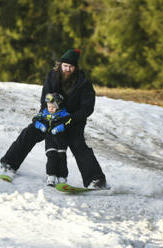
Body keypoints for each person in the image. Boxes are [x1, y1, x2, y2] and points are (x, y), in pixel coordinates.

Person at [0, 49, 107, 189]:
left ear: (75, 67)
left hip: (72, 122)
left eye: (71, 66)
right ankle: (8, 165)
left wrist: (70, 119)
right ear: (60, 65)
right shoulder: (52, 76)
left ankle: (96, 180)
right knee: (29, 132)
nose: (67, 69)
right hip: (50, 117)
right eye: (65, 66)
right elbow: (45, 98)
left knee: (78, 145)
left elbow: (87, 108)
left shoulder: (84, 83)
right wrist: (44, 116)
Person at [33, 93, 70, 186]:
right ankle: (51, 176)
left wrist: (61, 127)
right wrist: (39, 125)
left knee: (62, 157)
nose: (51, 109)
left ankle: (62, 177)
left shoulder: (63, 114)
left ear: (58, 106)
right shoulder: (45, 113)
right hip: (50, 139)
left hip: (61, 139)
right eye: (49, 106)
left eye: (53, 107)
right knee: (51, 156)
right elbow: (35, 118)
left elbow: (69, 121)